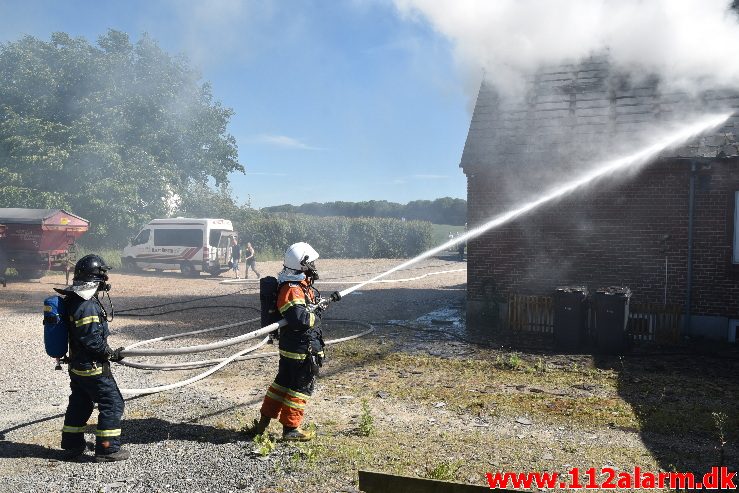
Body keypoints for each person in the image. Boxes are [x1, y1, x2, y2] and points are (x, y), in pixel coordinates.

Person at [252, 242, 339, 441]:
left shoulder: (294, 284)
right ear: (303, 264)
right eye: (312, 263)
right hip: (302, 349)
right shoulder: (292, 288)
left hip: (294, 347)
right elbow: (300, 320)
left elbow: (300, 311)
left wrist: (316, 306)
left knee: (282, 385)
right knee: (301, 388)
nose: (315, 266)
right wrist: (316, 315)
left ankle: (263, 422)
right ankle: (291, 429)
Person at [55, 254, 128, 462]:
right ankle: (107, 449)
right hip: (93, 367)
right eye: (103, 277)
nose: (105, 282)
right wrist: (109, 353)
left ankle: (72, 444)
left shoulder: (74, 299)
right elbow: (91, 339)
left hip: (77, 366)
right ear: (96, 279)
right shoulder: (87, 305)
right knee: (112, 403)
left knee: (81, 402)